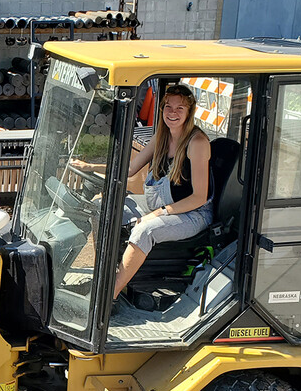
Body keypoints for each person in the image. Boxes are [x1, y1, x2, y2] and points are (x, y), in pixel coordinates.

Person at [74, 83, 213, 300]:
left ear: (189, 111)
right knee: (102, 205)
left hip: (192, 213)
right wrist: (90, 167)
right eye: (168, 107)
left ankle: (107, 297)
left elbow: (199, 197)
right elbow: (129, 170)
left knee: (144, 230)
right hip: (162, 205)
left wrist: (158, 213)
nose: (172, 113)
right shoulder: (162, 136)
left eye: (179, 108)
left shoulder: (197, 143)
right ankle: (104, 276)